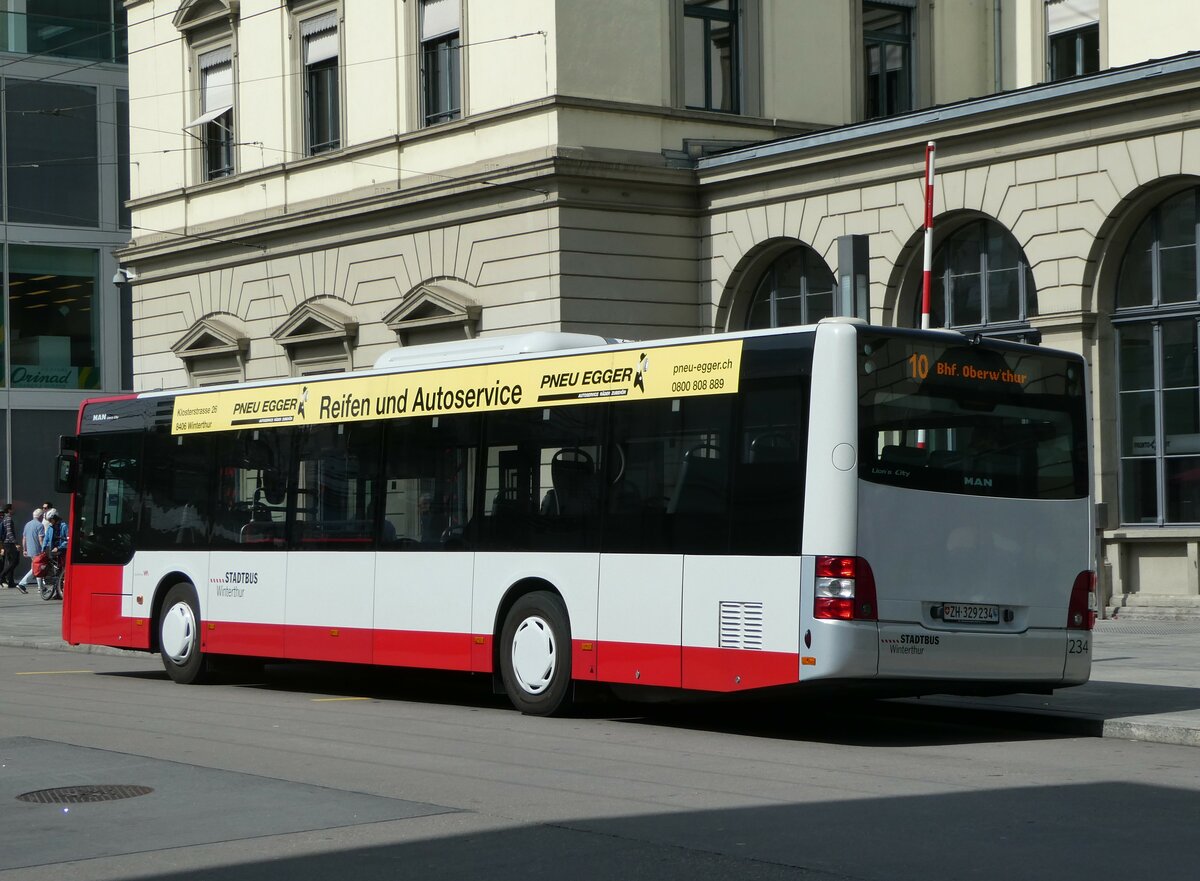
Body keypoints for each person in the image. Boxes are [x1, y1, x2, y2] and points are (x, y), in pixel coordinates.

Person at [16, 508, 45, 593]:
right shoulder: (40, 525)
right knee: (37, 568)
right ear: (40, 516)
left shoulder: (27, 524)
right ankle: (22, 584)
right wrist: (44, 549)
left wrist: (24, 549)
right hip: (37, 550)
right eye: (42, 516)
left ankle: (41, 587)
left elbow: (24, 538)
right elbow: (40, 539)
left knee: (36, 568)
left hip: (30, 549)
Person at [0, 503, 21, 593]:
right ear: (9, 510)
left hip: (6, 543)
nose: (14, 510)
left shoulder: (5, 519)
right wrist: (15, 543)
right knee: (15, 561)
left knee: (10, 562)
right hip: (9, 543)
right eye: (12, 509)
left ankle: (11, 582)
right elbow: (9, 532)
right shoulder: (8, 519)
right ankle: (2, 576)